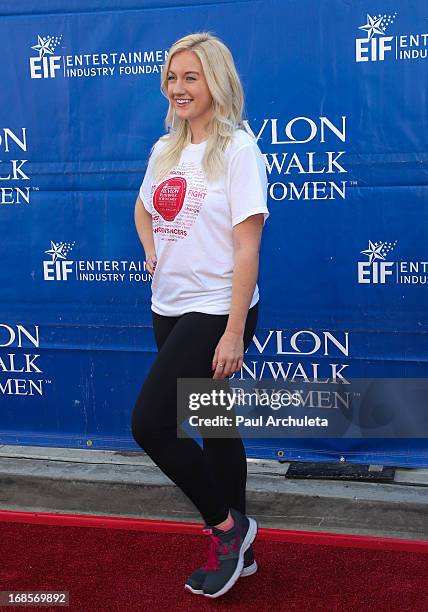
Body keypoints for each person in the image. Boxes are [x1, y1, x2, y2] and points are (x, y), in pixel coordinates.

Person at [131, 31, 269, 599]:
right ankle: (246, 553)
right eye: (173, 77)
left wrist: (234, 330)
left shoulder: (239, 150)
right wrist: (151, 248)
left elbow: (247, 248)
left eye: (192, 77)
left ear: (217, 81)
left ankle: (226, 528)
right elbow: (142, 207)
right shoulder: (166, 149)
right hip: (169, 307)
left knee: (150, 425)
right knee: (215, 428)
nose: (179, 88)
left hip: (216, 312)